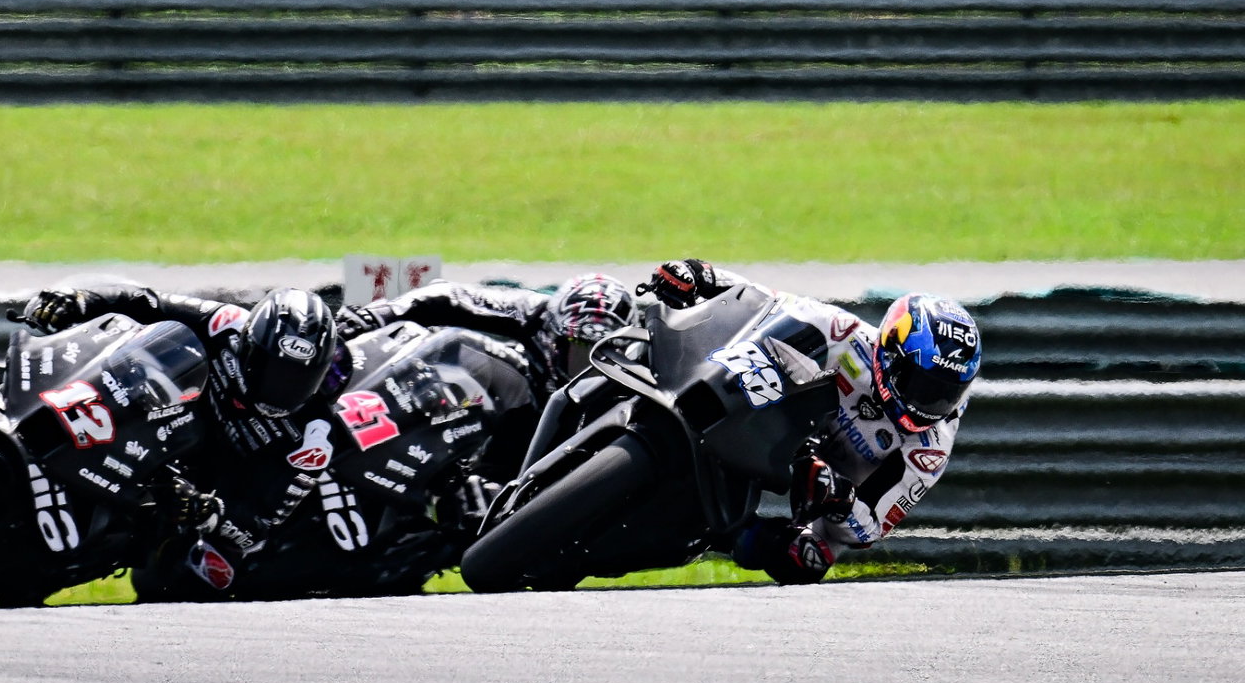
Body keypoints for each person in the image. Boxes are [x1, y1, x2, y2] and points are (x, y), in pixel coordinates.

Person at [638, 258, 982, 586]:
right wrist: (703, 276)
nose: (929, 404)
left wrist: (840, 497)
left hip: (823, 479)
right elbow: (764, 301)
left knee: (806, 560)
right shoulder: (845, 335)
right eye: (921, 386)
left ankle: (719, 532)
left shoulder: (930, 447)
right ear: (890, 352)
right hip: (771, 417)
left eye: (944, 394)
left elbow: (870, 529)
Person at [19, 281, 344, 597]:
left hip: (191, 492)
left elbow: (259, 525)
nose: (282, 388)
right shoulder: (225, 324)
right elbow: (144, 301)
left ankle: (67, 562)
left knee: (208, 573)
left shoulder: (315, 436)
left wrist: (205, 509)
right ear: (248, 345)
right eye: (273, 370)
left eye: (299, 378)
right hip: (152, 429)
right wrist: (81, 300)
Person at [335, 272, 642, 399]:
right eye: (577, 349)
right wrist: (379, 314)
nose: (586, 368)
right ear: (552, 337)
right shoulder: (536, 312)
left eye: (601, 355)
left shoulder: (645, 359)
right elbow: (450, 296)